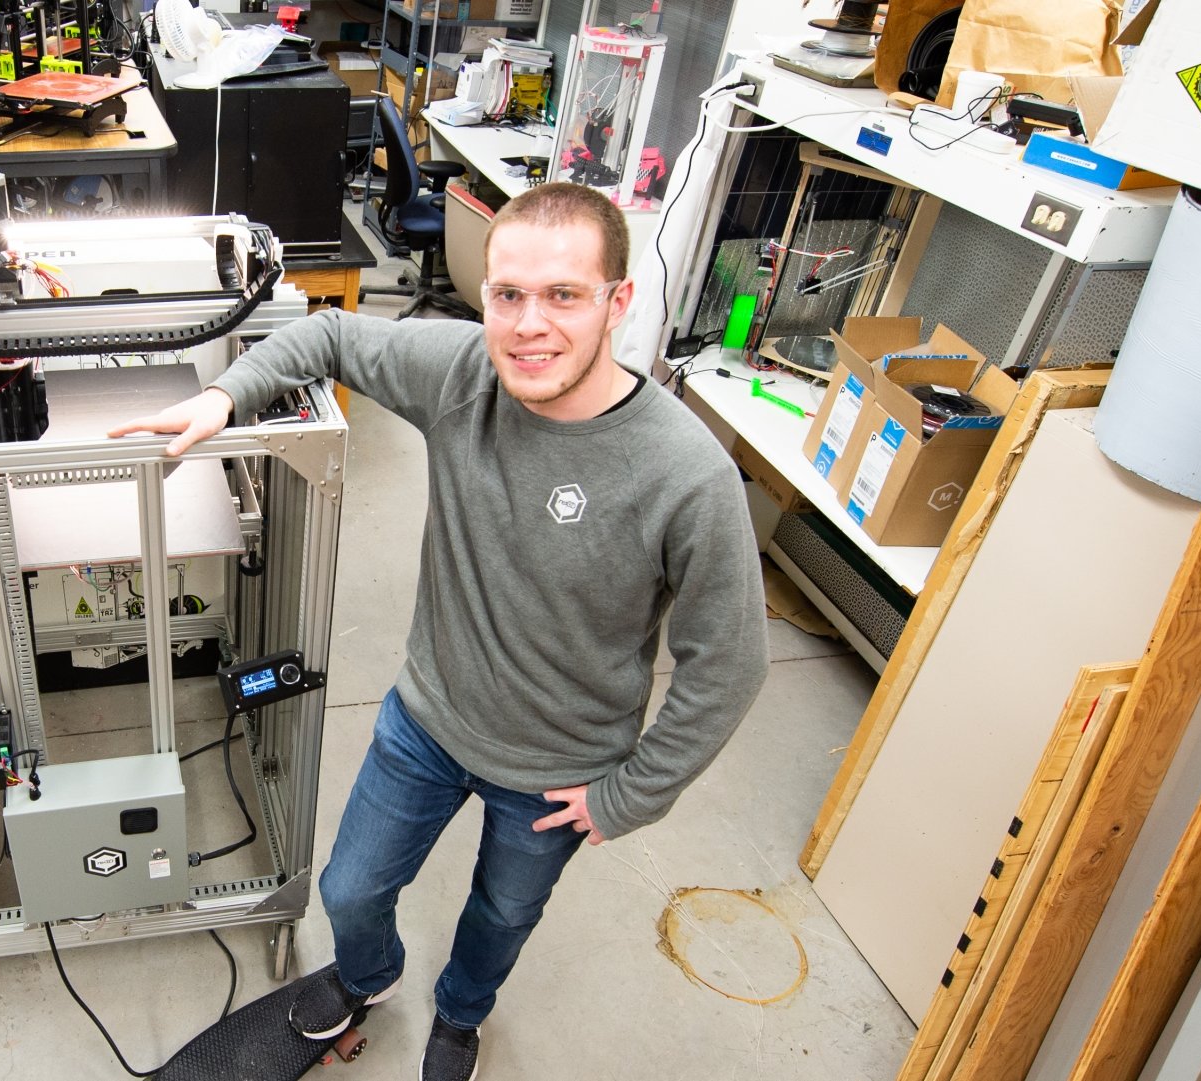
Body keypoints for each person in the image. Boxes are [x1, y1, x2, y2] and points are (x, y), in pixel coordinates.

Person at [109, 183, 769, 1081]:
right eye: (508, 295)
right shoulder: (464, 374)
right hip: (427, 721)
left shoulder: (688, 475)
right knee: (348, 888)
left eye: (564, 295)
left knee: (501, 917)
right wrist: (226, 398)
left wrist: (631, 794)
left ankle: (460, 1015)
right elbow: (330, 333)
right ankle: (370, 977)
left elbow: (725, 667)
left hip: (556, 770)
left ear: (619, 301)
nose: (529, 325)